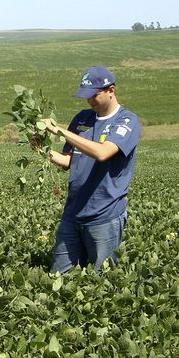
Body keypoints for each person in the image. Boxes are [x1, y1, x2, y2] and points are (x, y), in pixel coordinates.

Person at [41, 65, 141, 274]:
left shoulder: (127, 121)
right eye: (86, 96)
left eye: (94, 95)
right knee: (58, 276)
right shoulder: (82, 118)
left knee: (101, 279)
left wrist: (59, 131)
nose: (89, 101)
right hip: (73, 212)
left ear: (111, 90)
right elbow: (69, 161)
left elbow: (102, 153)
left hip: (104, 215)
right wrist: (41, 150)